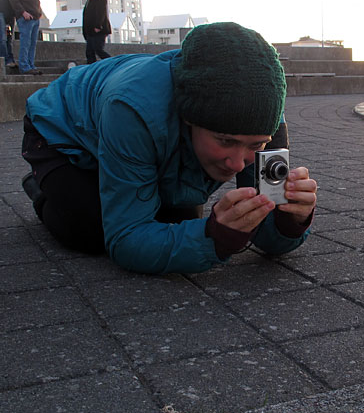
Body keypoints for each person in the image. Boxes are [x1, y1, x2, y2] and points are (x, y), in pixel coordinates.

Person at [20, 22, 317, 274]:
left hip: (136, 133)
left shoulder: (266, 118)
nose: (239, 164)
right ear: (188, 118)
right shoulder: (132, 109)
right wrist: (216, 237)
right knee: (90, 230)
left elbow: (267, 235)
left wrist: (290, 221)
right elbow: (125, 239)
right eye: (225, 141)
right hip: (60, 132)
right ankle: (41, 188)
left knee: (180, 222)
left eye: (255, 146)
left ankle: (133, 173)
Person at [9, 0, 42, 75]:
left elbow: (37, 1)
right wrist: (23, 12)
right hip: (25, 18)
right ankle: (24, 66)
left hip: (35, 17)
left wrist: (39, 12)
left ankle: (30, 65)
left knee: (32, 43)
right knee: (25, 42)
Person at [81, 0, 111, 64]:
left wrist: (98, 26)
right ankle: (91, 70)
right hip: (91, 32)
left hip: (98, 31)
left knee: (98, 50)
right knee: (89, 53)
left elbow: (101, 11)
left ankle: (114, 63)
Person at [0, 0, 23, 69]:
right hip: (3, 13)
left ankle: (10, 59)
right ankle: (4, 59)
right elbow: (4, 2)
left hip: (11, 16)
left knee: (9, 39)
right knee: (3, 38)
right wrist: (7, 20)